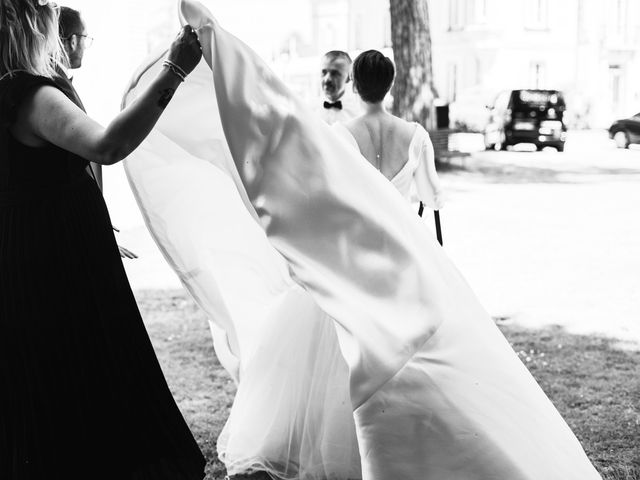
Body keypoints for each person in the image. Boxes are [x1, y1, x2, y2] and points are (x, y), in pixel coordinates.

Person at [123, 2, 603, 479]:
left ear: (355, 82)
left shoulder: (342, 133)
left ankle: (339, 441)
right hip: (401, 249)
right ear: (390, 84)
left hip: (351, 250)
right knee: (408, 352)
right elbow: (430, 201)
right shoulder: (414, 135)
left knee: (336, 347)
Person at [0, 1, 205, 478]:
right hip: (58, 262)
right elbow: (108, 144)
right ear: (32, 25)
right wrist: (175, 68)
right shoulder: (28, 94)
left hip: (27, 253)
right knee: (87, 376)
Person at [57, 5, 137, 258]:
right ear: (71, 41)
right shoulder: (54, 88)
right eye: (85, 38)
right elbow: (98, 151)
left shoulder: (56, 84)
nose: (84, 46)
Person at [337, 50, 444, 212]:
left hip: (358, 233)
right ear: (390, 85)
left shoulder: (339, 135)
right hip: (401, 234)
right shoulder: (417, 136)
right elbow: (432, 197)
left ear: (353, 86)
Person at [315, 50, 361, 124]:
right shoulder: (309, 110)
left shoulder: (357, 114)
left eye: (335, 73)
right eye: (324, 72)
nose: (327, 79)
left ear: (348, 78)